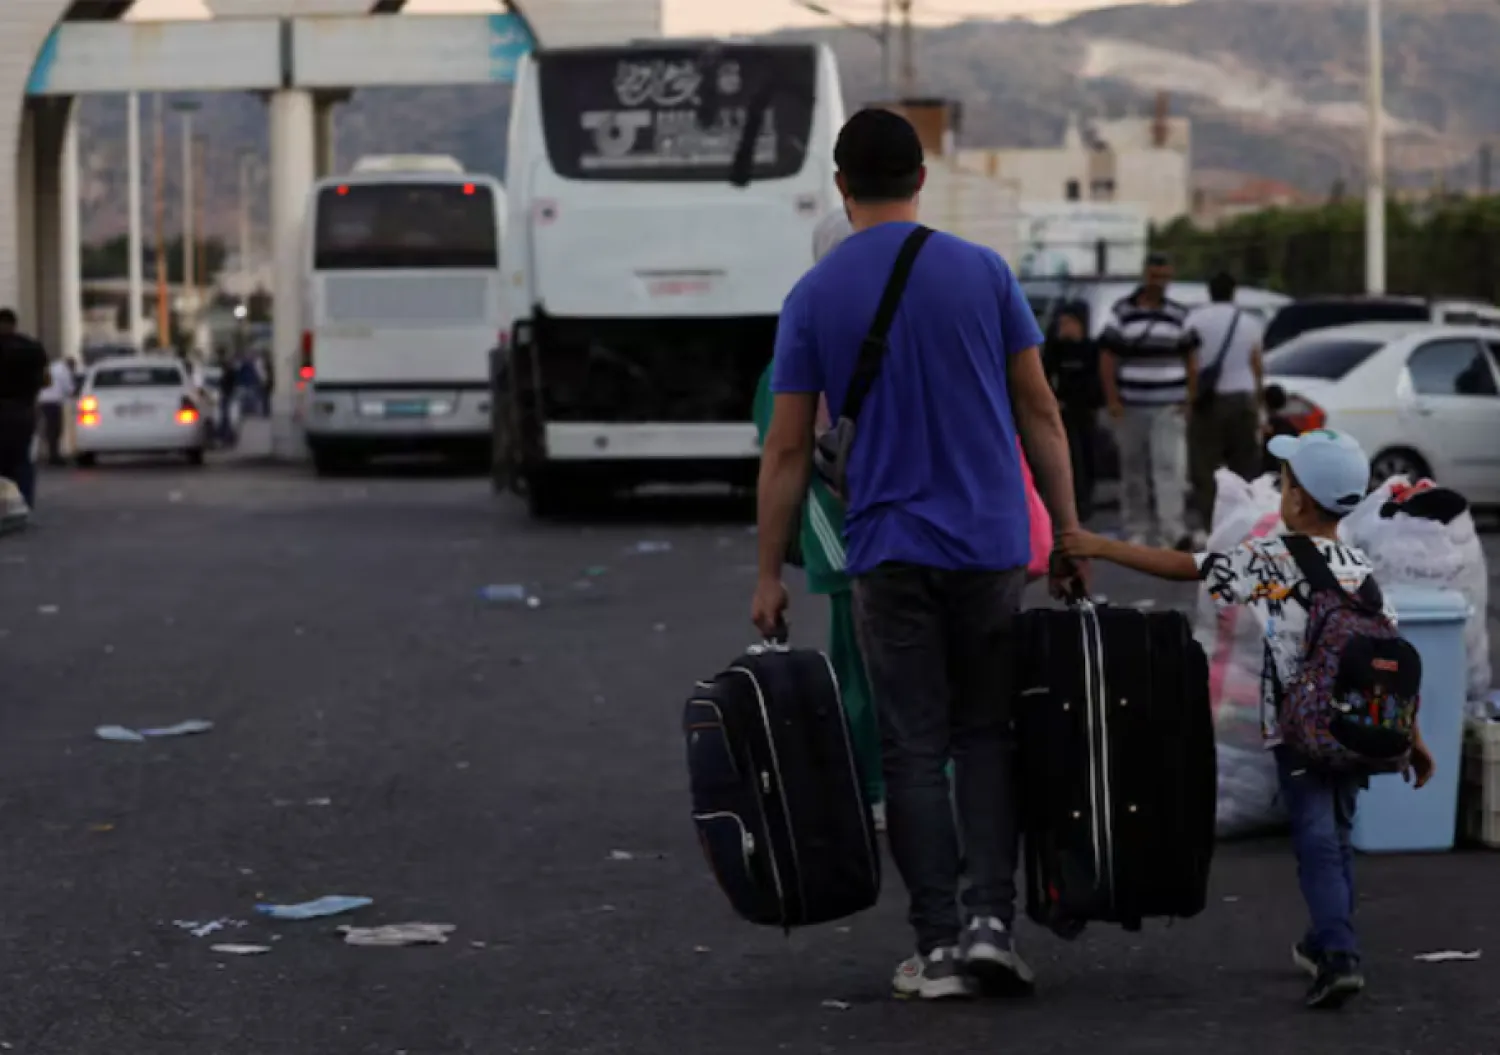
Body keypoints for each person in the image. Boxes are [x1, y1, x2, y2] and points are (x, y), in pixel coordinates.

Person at [752, 108, 1084, 1001]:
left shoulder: (814, 295)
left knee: (911, 745)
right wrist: (1070, 529)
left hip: (888, 548)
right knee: (986, 734)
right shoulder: (983, 271)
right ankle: (990, 925)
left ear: (839, 183)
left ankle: (935, 945)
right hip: (989, 545)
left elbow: (786, 451)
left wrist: (768, 572)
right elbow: (1041, 411)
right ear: (921, 177)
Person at [1057, 428, 1436, 1011]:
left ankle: (1338, 954)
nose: (1282, 490)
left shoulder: (1272, 560)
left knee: (1316, 840)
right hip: (1358, 726)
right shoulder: (1360, 566)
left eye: (1285, 481)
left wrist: (1101, 547)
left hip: (1302, 732)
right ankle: (1325, 938)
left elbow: (1184, 566)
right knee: (1334, 835)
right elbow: (1384, 655)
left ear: (1299, 501)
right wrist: (1413, 739)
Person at [750, 205, 887, 831]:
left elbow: (777, 449)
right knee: (883, 668)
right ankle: (896, 785)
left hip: (838, 533)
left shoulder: (802, 338)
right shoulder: (897, 331)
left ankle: (875, 788)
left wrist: (771, 568)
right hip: (898, 530)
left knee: (861, 668)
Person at [1099, 253, 1196, 550]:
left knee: (1169, 469)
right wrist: (1112, 399)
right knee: (1133, 470)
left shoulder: (1179, 314)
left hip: (1169, 404)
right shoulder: (1123, 311)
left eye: (1165, 278)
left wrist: (1190, 398)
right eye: (1155, 277)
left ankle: (1171, 530)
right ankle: (1136, 529)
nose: (1160, 283)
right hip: (1131, 405)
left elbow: (1191, 357)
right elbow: (1107, 356)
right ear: (1145, 276)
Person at [1184, 271, 1266, 534]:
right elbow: (1256, 365)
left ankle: (1212, 526)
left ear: (1209, 291)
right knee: (1244, 466)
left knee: (1205, 468)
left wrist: (1190, 399)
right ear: (1234, 291)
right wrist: (1259, 403)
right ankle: (1246, 524)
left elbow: (1191, 364)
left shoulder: (1195, 319)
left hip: (1209, 401)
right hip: (1242, 399)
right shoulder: (1249, 321)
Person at [1042, 301, 1102, 521]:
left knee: (1087, 455)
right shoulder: (1054, 349)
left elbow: (1097, 381)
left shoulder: (1090, 348)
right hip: (1063, 410)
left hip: (1085, 410)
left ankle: (1085, 501)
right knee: (1070, 457)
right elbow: (1045, 375)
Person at [0, 308, 48, 510]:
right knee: (21, 460)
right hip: (23, 410)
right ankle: (24, 503)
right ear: (14, 324)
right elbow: (46, 380)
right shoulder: (31, 348)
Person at [37, 353, 75, 467]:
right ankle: (54, 456)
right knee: (55, 430)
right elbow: (68, 387)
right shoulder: (64, 370)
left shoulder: (50, 367)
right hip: (54, 402)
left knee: (47, 429)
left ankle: (47, 454)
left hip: (42, 401)